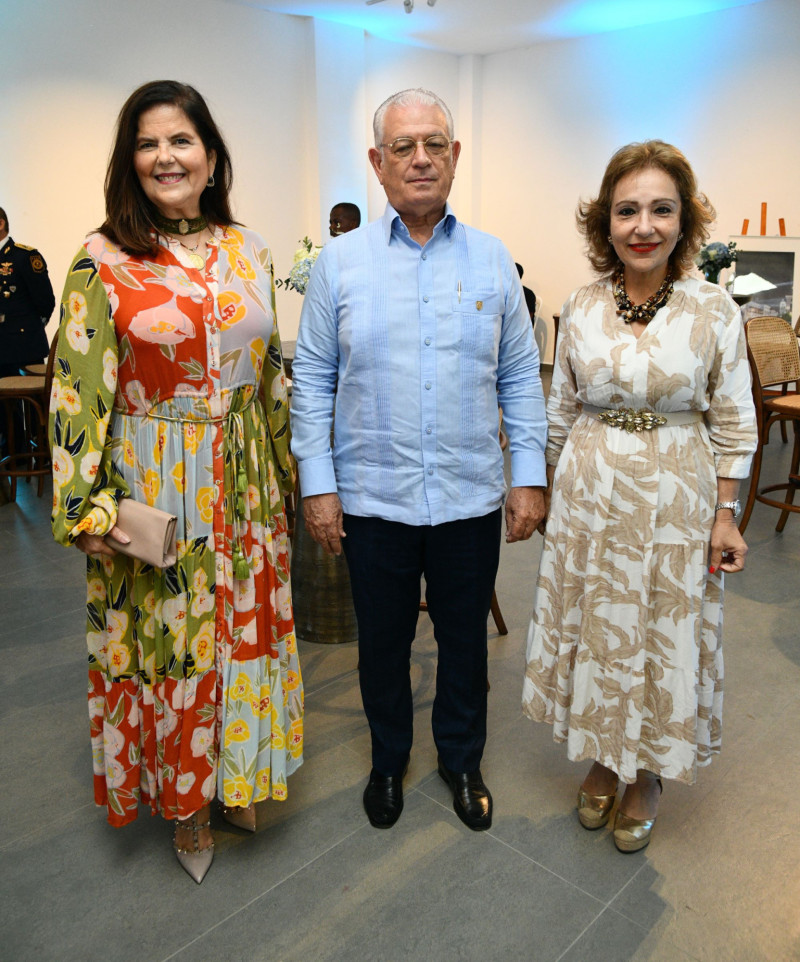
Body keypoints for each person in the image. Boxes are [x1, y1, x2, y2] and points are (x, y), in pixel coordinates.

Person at [49, 80, 303, 883]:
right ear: (131, 161)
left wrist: (292, 470)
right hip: (157, 478)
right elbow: (77, 389)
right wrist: (85, 504)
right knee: (175, 643)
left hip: (248, 478)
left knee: (242, 635)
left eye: (182, 140)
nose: (167, 156)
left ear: (212, 155)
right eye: (149, 143)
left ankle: (238, 776)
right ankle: (186, 805)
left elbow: (268, 378)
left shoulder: (249, 250)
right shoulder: (101, 260)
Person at [291, 88, 547, 832]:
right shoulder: (340, 265)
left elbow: (517, 377)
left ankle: (462, 761)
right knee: (383, 646)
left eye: (434, 142)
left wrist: (527, 475)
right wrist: (318, 487)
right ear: (378, 163)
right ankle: (388, 759)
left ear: (456, 155)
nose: (421, 158)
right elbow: (312, 380)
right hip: (373, 501)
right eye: (402, 147)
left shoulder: (494, 259)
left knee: (466, 643)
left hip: (470, 499)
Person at [522, 140, 757, 853]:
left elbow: (734, 415)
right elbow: (560, 405)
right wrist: (545, 486)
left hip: (678, 496)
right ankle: (602, 755)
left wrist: (725, 513)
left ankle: (647, 770)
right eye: (627, 211)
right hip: (591, 493)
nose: (643, 225)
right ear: (605, 223)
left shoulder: (713, 309)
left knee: (660, 628)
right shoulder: (583, 304)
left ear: (685, 221)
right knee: (597, 620)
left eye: (661, 209)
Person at [0, 208, 54, 378]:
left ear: (1, 224)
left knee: (30, 403)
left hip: (23, 346)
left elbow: (45, 300)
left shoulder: (24, 256)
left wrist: (30, 328)